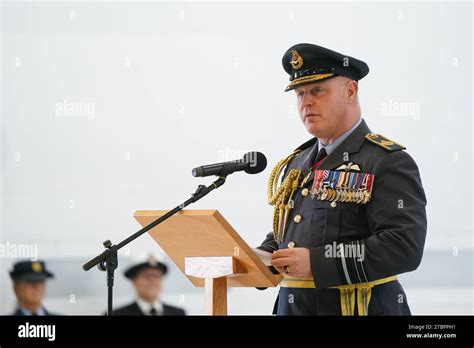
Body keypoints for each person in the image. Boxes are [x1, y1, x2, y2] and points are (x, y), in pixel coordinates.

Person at [258, 43, 427, 315]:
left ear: (351, 91)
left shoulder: (386, 160)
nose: (306, 102)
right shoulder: (297, 163)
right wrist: (256, 257)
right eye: (300, 94)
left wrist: (317, 262)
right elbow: (288, 236)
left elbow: (403, 246)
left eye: (317, 91)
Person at [112, 256, 185, 316]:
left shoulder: (178, 313)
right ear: (133, 281)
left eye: (156, 276)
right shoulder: (116, 314)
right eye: (146, 275)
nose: (152, 280)